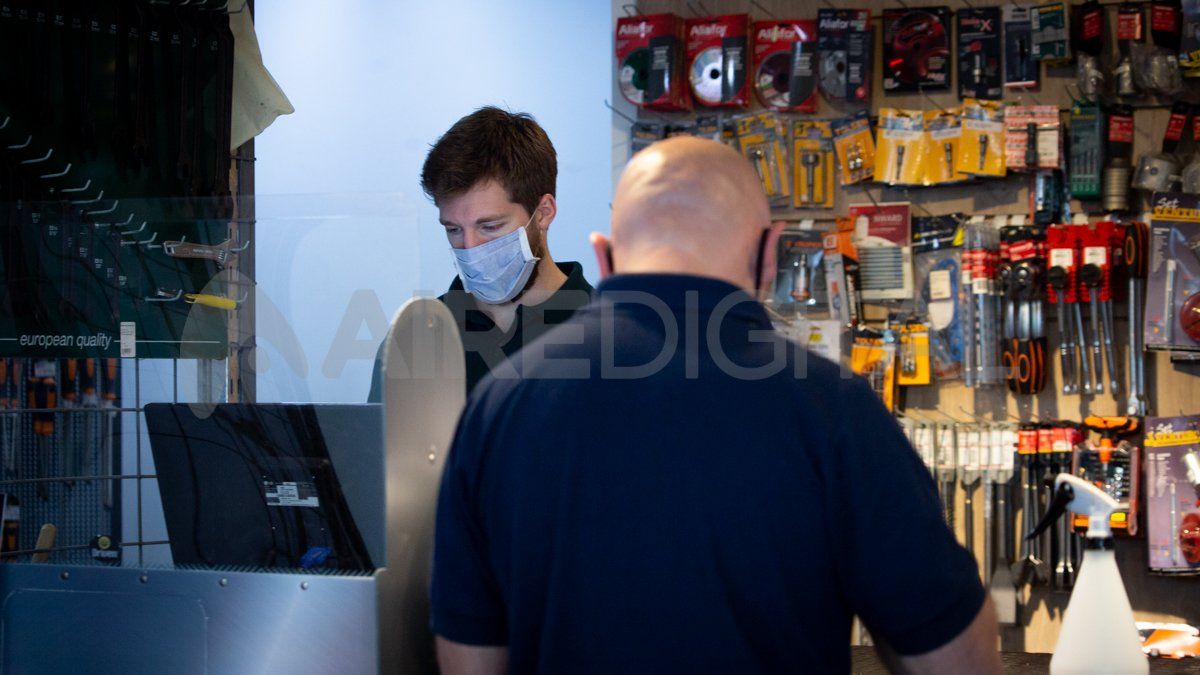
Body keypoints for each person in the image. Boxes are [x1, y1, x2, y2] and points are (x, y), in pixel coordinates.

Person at [430, 137, 1002, 674]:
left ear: (604, 257)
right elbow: (952, 656)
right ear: (771, 254)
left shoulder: (497, 407)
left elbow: (468, 655)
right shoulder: (834, 411)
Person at [367, 106, 593, 401]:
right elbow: (377, 446)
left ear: (543, 213)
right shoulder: (417, 338)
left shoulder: (609, 334)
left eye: (489, 226)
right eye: (453, 229)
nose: (470, 248)